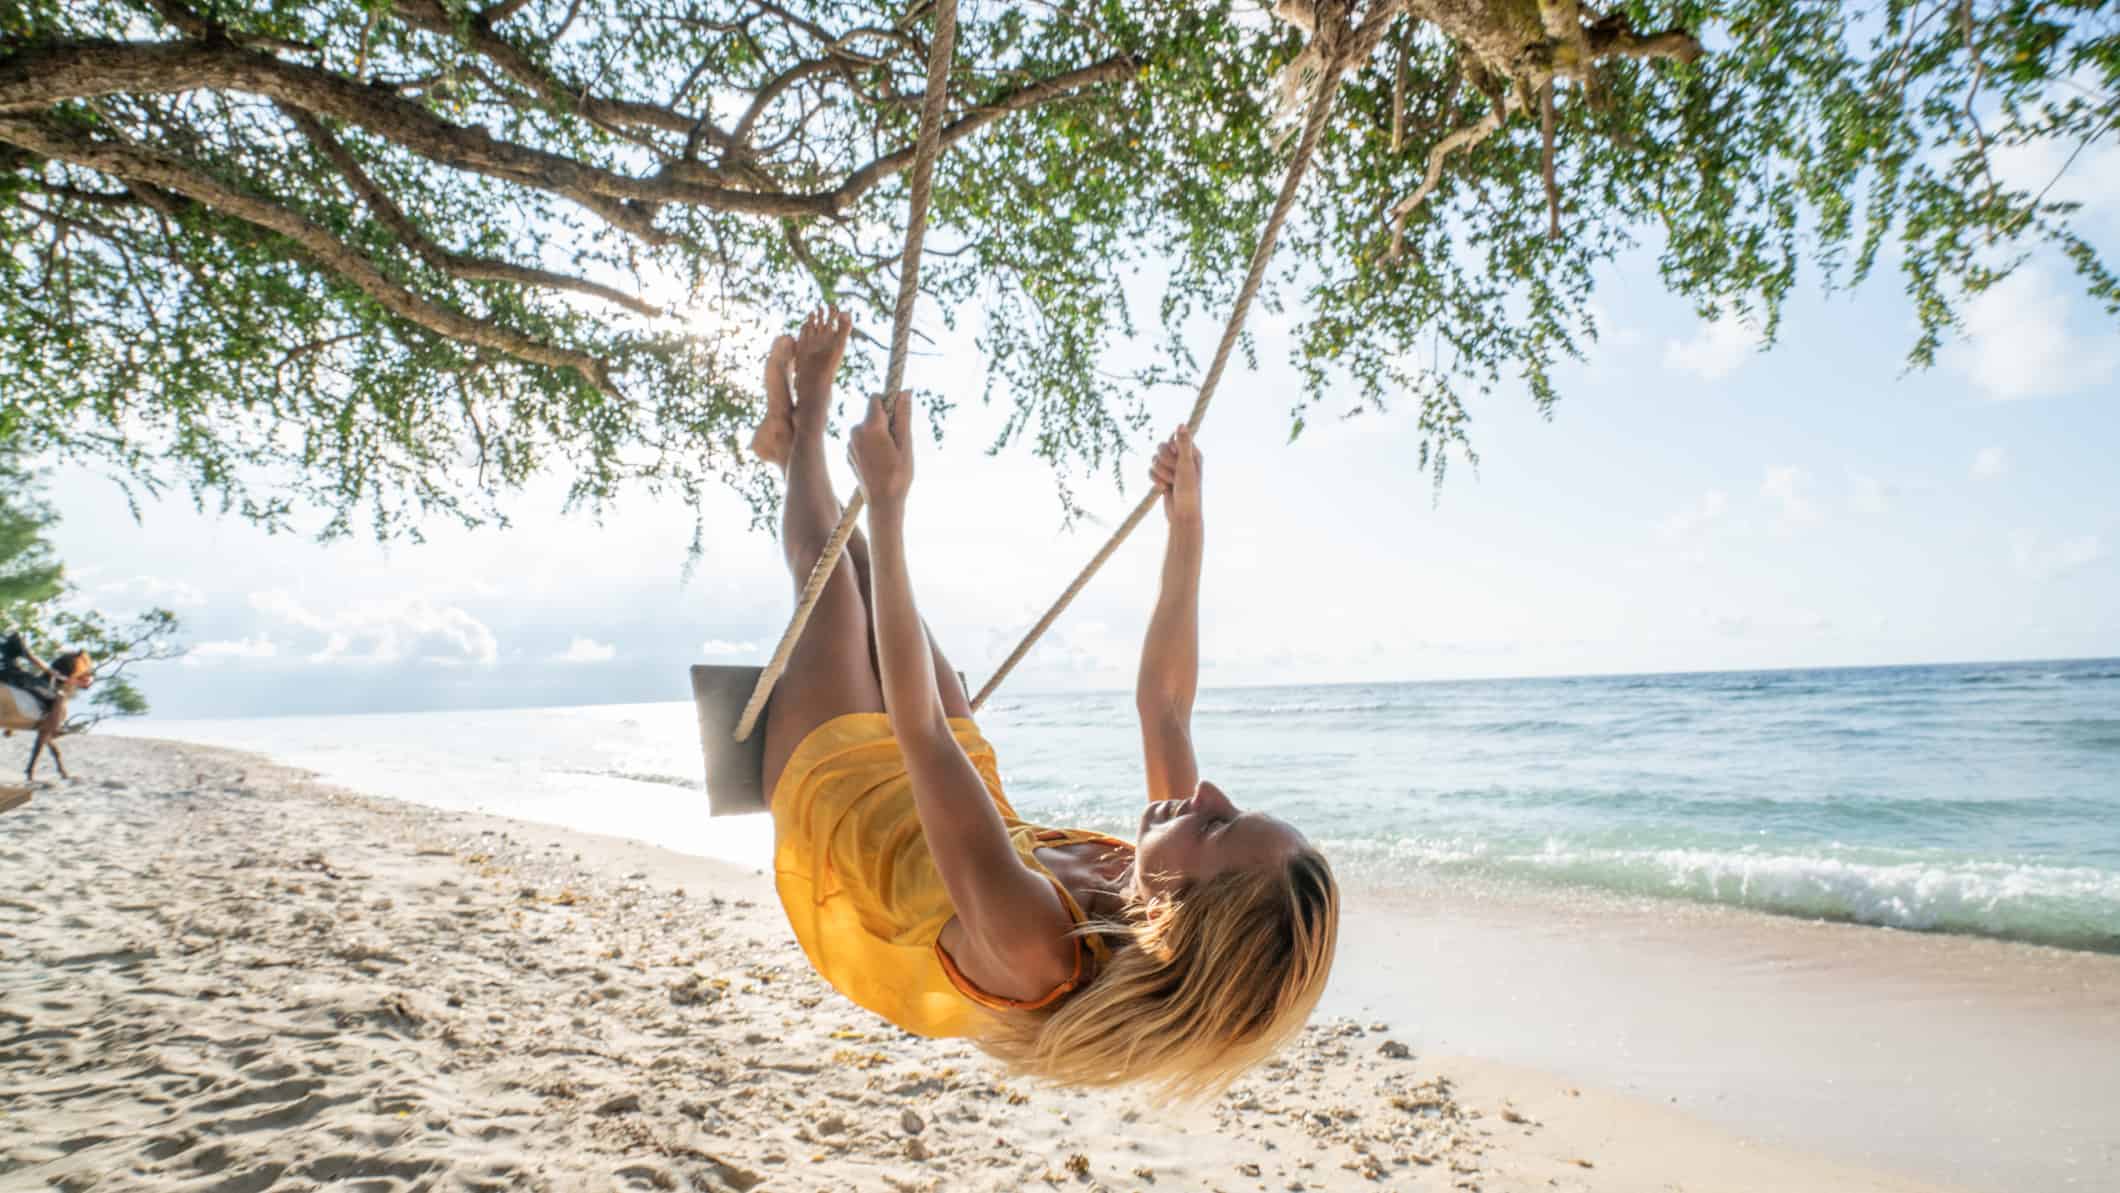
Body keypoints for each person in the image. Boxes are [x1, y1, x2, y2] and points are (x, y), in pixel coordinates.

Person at [749, 308, 1338, 1097]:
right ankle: (787, 447)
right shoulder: (1154, 871)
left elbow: (923, 735)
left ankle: (808, 418)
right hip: (948, 784)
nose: (1205, 794)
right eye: (1230, 807)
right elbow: (1165, 705)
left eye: (1219, 824)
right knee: (855, 569)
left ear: (1183, 914)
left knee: (829, 571)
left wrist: (888, 503)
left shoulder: (1038, 950)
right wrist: (1187, 524)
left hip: (856, 839)